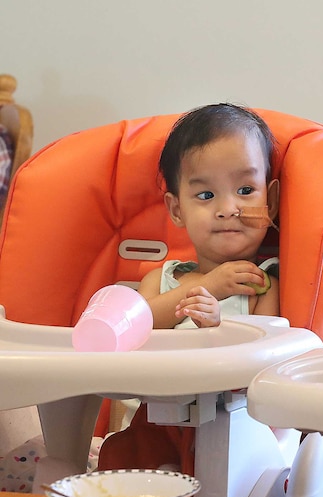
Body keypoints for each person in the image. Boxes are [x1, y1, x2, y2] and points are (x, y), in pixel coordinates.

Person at [97, 103, 281, 473]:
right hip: (153, 421)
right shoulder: (162, 279)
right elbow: (132, 328)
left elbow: (266, 361)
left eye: (246, 190)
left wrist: (218, 326)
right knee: (117, 456)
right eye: (206, 195)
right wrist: (207, 286)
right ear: (177, 209)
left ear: (271, 202)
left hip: (229, 429)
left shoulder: (261, 285)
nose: (228, 208)